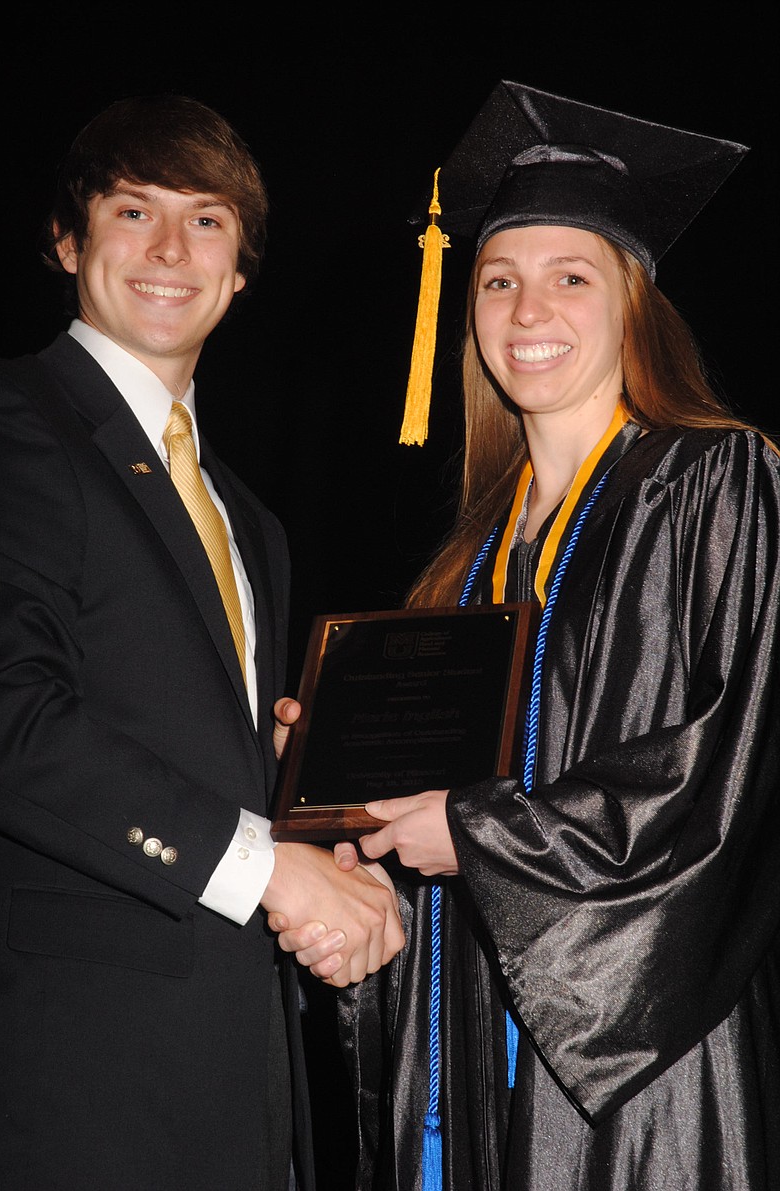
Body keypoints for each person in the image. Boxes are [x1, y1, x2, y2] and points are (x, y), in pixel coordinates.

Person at [273, 81, 780, 1189]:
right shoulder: (469, 562)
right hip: (465, 1030)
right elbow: (436, 809)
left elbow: (724, 768)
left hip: (631, 1050)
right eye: (497, 282)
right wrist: (332, 774)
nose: (525, 312)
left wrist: (487, 837)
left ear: (632, 300)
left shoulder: (712, 478)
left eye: (568, 278)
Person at [0, 93, 404, 1191]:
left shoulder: (242, 518)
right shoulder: (3, 422)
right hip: (74, 1077)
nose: (170, 249)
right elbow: (2, 718)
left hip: (237, 1067)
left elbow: (200, 757)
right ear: (68, 241)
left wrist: (322, 814)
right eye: (134, 211)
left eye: (207, 220)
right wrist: (271, 870)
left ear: (242, 270)